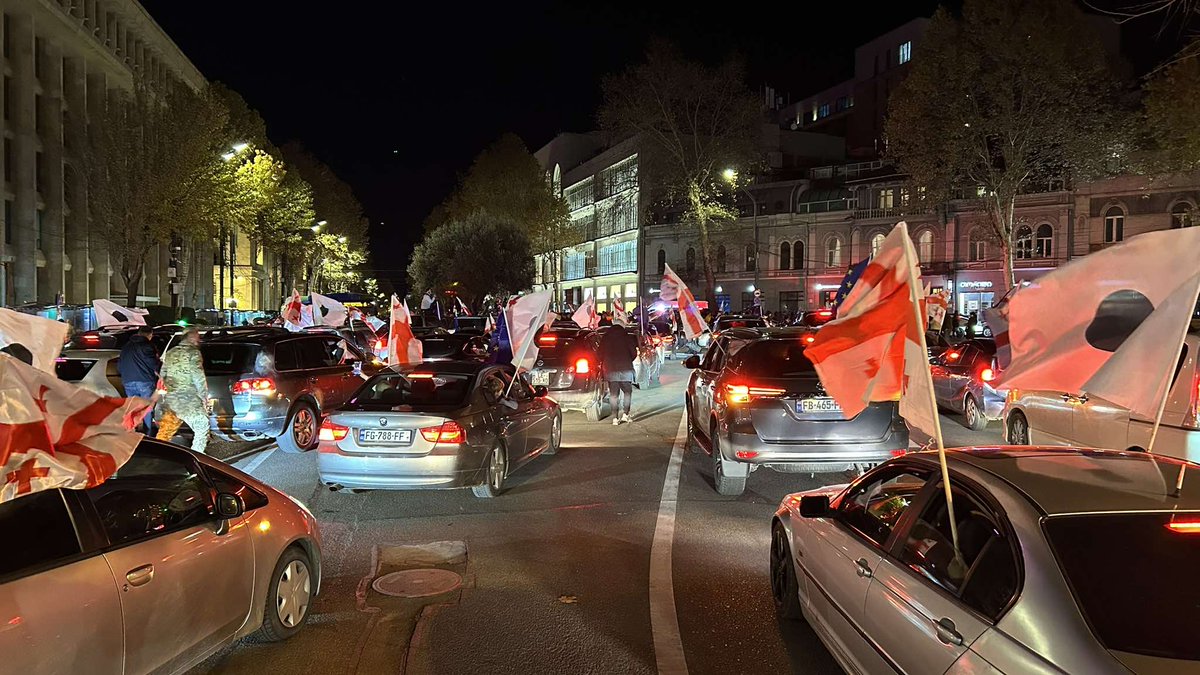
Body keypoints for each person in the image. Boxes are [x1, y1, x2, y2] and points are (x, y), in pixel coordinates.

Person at [156, 328, 211, 454]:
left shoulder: (171, 352)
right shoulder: (193, 353)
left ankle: (155, 454)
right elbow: (198, 376)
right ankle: (197, 457)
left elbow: (162, 373)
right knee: (202, 426)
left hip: (172, 399)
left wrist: (168, 389)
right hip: (189, 399)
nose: (198, 339)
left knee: (167, 429)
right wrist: (204, 397)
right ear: (190, 337)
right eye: (197, 336)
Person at [118, 325, 161, 434]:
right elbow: (153, 363)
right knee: (146, 408)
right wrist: (159, 373)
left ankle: (130, 431)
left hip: (128, 381)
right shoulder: (147, 345)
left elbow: (119, 365)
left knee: (132, 408)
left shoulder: (127, 346)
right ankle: (148, 434)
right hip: (144, 381)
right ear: (150, 335)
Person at [598, 316, 638, 425]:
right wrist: (628, 359)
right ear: (622, 325)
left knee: (613, 394)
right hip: (625, 368)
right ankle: (625, 414)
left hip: (610, 369)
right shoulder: (626, 336)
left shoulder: (605, 337)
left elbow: (599, 353)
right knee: (627, 392)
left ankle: (615, 417)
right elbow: (633, 353)